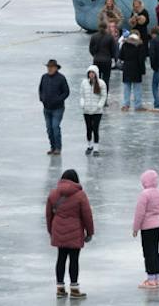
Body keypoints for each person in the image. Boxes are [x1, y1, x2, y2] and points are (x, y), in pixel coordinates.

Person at [46, 169, 93, 300]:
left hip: (58, 231)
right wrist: (89, 232)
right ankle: (74, 289)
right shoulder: (80, 195)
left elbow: (49, 215)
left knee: (61, 258)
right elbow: (87, 215)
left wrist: (51, 231)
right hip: (75, 232)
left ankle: (60, 288)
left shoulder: (53, 194)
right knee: (74, 260)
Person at [131, 169, 159, 290]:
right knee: (155, 251)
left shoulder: (144, 194)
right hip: (157, 226)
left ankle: (150, 280)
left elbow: (139, 213)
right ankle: (156, 278)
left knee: (148, 252)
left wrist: (136, 228)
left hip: (147, 227)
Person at [39, 58, 70, 155]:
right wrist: (42, 98)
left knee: (55, 127)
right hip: (46, 108)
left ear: (56, 68)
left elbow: (66, 92)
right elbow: (40, 89)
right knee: (49, 129)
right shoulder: (44, 77)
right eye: (48, 67)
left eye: (52, 67)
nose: (50, 69)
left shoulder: (61, 78)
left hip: (58, 108)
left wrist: (58, 99)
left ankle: (58, 148)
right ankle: (52, 147)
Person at [79, 66, 107, 155]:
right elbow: (82, 95)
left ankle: (96, 148)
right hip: (86, 110)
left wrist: (100, 105)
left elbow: (104, 96)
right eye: (90, 72)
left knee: (95, 129)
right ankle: (89, 145)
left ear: (96, 74)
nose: (91, 74)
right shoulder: (84, 83)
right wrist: (82, 103)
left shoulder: (101, 83)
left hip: (97, 111)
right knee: (88, 128)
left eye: (93, 72)